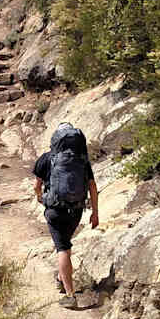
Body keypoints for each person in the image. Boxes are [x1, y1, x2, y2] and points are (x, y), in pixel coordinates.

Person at [33, 123, 99, 308]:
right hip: (76, 210)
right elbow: (92, 187)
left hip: (55, 210)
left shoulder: (47, 159)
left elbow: (36, 186)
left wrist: (40, 198)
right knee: (66, 244)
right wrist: (95, 213)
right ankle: (62, 278)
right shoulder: (82, 161)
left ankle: (70, 295)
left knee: (62, 248)